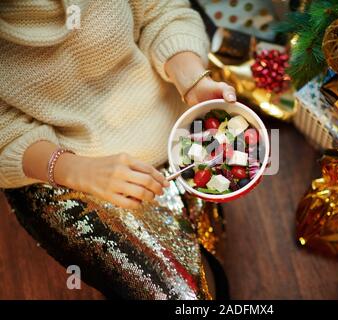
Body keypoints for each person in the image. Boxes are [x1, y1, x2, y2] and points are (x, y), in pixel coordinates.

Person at [0, 0, 235, 299]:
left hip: (172, 121)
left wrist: (191, 80)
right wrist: (77, 169)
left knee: (212, 270)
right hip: (60, 168)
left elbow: (162, 12)